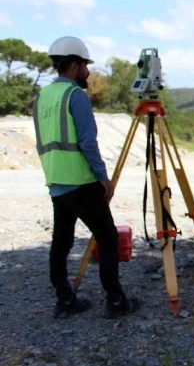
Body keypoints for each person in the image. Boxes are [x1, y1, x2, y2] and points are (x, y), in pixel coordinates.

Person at [32, 36, 140, 319]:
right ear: (74, 64)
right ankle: (116, 301)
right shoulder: (75, 96)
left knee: (61, 242)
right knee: (107, 238)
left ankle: (65, 300)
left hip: (56, 181)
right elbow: (87, 143)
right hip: (81, 180)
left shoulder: (42, 96)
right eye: (85, 66)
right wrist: (103, 178)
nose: (89, 73)